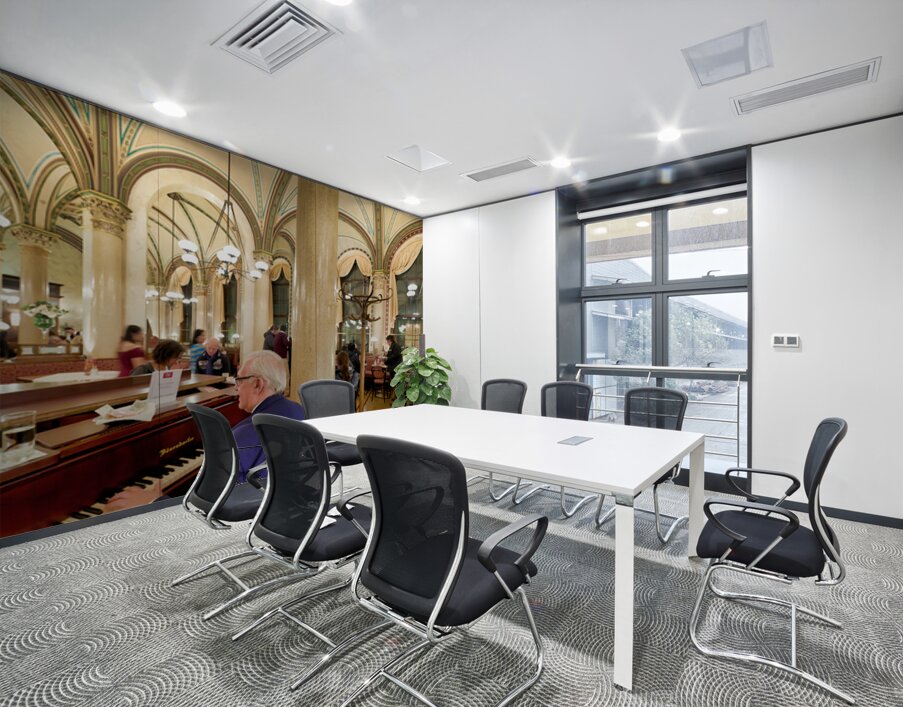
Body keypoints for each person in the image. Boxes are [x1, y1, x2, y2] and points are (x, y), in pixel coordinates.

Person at [231, 350, 305, 483]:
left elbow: (222, 484)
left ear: (257, 384)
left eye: (239, 380)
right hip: (296, 489)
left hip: (260, 495)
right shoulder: (298, 410)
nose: (236, 388)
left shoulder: (245, 432)